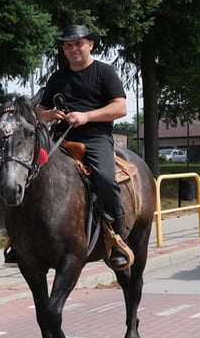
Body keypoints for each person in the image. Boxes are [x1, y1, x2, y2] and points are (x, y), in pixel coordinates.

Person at [36, 24, 132, 270]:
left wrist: (86, 116)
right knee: (28, 172)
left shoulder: (104, 72)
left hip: (95, 137)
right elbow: (40, 110)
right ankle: (23, 237)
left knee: (105, 178)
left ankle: (117, 236)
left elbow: (120, 107)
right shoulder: (57, 78)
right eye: (68, 45)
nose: (73, 49)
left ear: (90, 44)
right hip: (59, 138)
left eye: (78, 43)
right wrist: (49, 114)